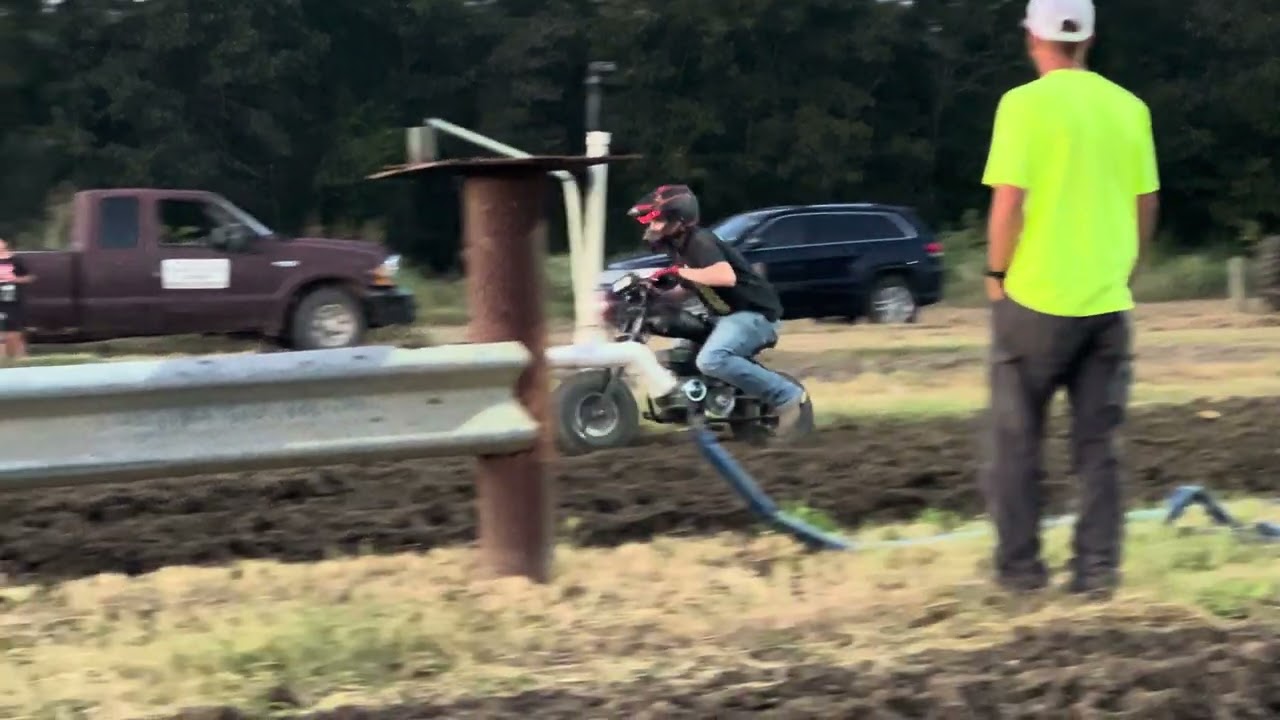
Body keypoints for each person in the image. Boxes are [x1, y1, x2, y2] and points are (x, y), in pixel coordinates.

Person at [979, 0, 1159, 597]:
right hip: (1106, 305)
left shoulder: (1021, 105)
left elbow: (1009, 203)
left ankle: (1022, 574)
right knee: (1099, 446)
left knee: (1016, 443)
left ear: (1033, 37)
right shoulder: (1130, 108)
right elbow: (1145, 203)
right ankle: (1096, 573)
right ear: (1089, 40)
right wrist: (1126, 269)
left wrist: (996, 275)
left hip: (1034, 301)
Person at [627, 184, 808, 437]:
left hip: (753, 314)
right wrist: (658, 293)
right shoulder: (680, 248)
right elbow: (689, 287)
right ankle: (697, 405)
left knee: (711, 359)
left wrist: (679, 273)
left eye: (657, 220)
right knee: (679, 357)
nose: (651, 227)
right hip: (724, 317)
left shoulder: (700, 241)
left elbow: (725, 277)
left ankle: (787, 395)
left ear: (678, 220)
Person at [0, 236, 35, 362]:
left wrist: (15, 279)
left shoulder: (17, 260)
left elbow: (30, 277)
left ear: (5, 243)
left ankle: (21, 358)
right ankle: (4, 359)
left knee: (15, 331)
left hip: (14, 300)